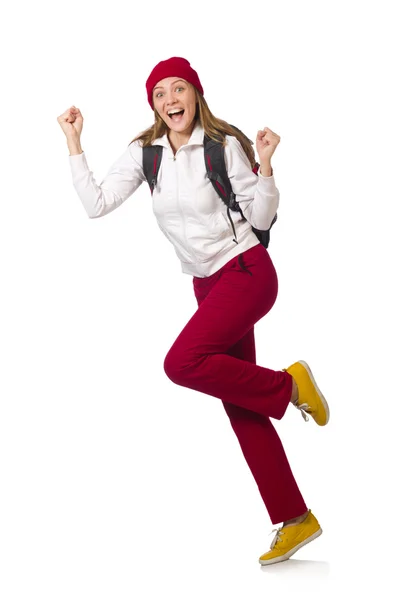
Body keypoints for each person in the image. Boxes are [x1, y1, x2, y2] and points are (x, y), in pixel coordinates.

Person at [57, 56, 330, 566]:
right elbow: (96, 204)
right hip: (207, 287)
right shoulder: (147, 153)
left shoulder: (222, 146)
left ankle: (291, 385)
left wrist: (266, 164)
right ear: (153, 106)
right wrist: (74, 142)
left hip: (247, 272)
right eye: (159, 94)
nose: (169, 100)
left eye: (177, 89)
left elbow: (264, 215)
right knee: (239, 403)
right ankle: (297, 519)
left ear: (195, 94)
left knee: (180, 363)